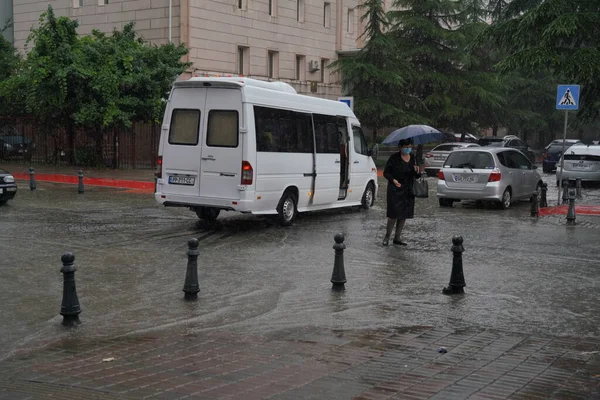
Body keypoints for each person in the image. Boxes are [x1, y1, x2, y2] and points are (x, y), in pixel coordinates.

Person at [382, 138, 420, 246]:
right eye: (406, 147)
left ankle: (397, 237)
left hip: (408, 190)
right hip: (395, 189)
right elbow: (386, 173)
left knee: (404, 214)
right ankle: (387, 237)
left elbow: (416, 175)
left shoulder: (413, 158)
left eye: (410, 147)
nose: (408, 149)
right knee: (393, 214)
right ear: (400, 147)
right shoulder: (394, 158)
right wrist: (393, 180)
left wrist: (417, 171)